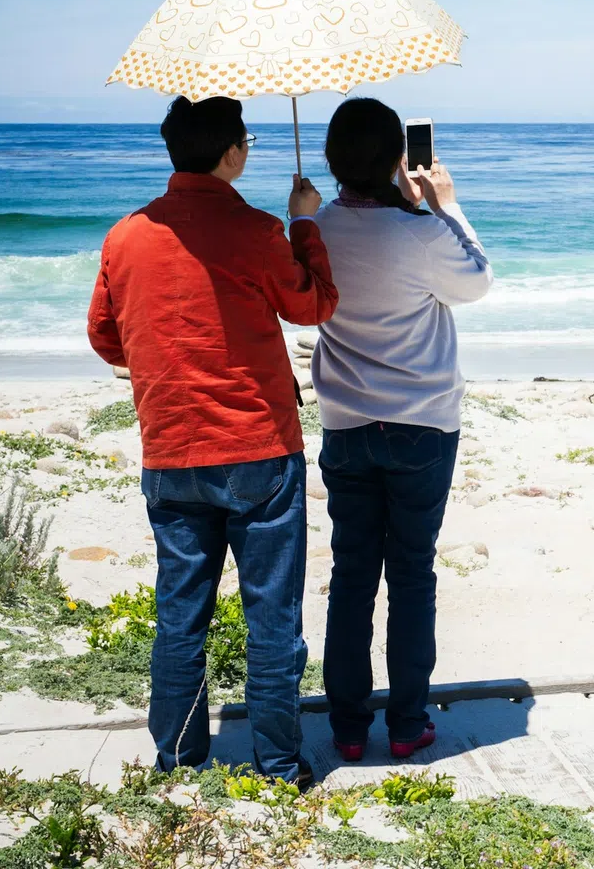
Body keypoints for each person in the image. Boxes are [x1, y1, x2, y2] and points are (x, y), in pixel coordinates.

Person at [87, 97, 336, 786]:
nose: (249, 150)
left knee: (180, 616)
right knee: (272, 619)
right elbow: (313, 304)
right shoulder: (257, 230)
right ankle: (279, 764)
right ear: (232, 153)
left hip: (171, 450)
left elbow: (106, 337)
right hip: (257, 444)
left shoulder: (124, 236)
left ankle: (178, 757)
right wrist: (305, 223)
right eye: (246, 141)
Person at [309, 98, 491, 764]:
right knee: (411, 572)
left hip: (347, 424)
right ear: (396, 160)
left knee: (353, 575)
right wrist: (445, 202)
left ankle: (350, 728)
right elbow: (478, 281)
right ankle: (408, 722)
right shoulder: (419, 230)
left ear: (331, 161)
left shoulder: (317, 229)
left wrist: (304, 215)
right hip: (422, 423)